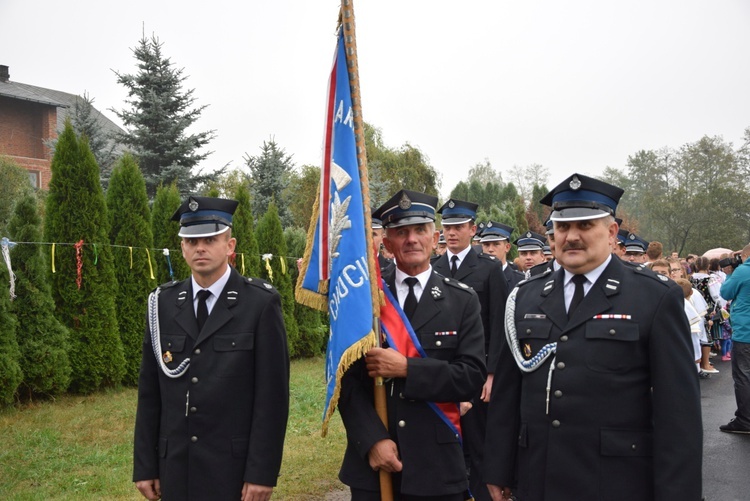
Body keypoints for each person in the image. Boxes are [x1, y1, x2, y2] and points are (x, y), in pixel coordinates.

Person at [484, 173, 703, 501]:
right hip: (539, 478)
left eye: (585, 226)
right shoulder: (525, 296)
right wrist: (498, 468)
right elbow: (507, 393)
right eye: (562, 227)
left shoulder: (654, 297)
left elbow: (679, 414)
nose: (571, 236)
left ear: (612, 232)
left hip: (616, 482)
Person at [133, 196, 290, 501]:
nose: (199, 248)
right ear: (182, 248)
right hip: (175, 467)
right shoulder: (163, 304)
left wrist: (261, 473)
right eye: (191, 241)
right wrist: (145, 465)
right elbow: (149, 391)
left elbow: (272, 399)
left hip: (232, 469)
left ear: (230, 245)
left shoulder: (259, 304)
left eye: (209, 239)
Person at [338, 189, 486, 499]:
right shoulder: (366, 299)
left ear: (435, 239)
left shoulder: (462, 300)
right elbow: (345, 382)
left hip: (436, 466)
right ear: (387, 243)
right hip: (374, 467)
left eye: (421, 230)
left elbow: (470, 378)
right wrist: (372, 440)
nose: (412, 239)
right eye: (401, 232)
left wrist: (408, 368)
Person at [433, 199, 509, 501]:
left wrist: (491, 374)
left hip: (476, 371)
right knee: (443, 440)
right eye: (447, 227)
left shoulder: (488, 269)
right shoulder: (433, 267)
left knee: (478, 443)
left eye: (458, 227)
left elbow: (499, 323)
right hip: (441, 370)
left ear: (472, 230)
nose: (452, 233)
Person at [719, 244, 750, 434]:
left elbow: (726, 293)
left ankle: (745, 420)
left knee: (743, 375)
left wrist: (730, 272)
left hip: (746, 332)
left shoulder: (743, 271)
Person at [479, 221, 524, 289]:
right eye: (486, 245)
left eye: (496, 244)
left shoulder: (520, 280)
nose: (490, 249)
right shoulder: (475, 276)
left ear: (507, 247)